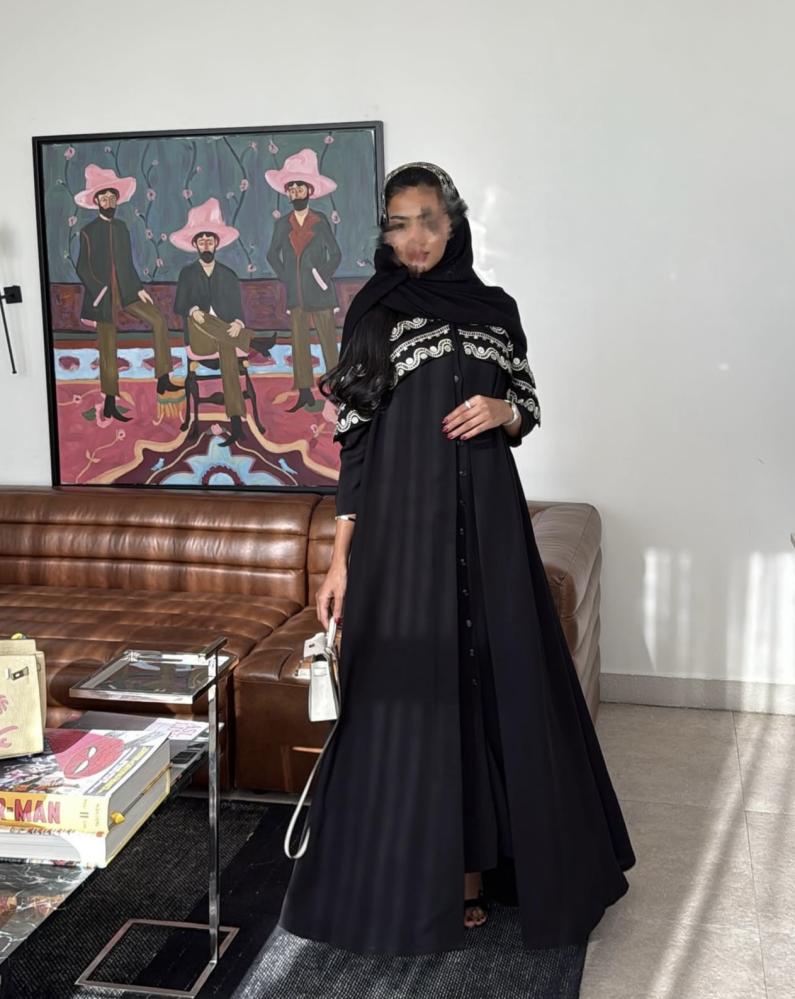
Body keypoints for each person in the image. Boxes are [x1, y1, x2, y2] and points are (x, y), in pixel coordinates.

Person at [277, 162, 636, 955]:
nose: (415, 238)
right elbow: (355, 444)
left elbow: (527, 403)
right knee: (412, 694)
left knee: (493, 684)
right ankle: (416, 875)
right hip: (402, 536)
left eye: (429, 220)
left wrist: (503, 409)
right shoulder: (373, 312)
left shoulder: (495, 309)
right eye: (398, 223)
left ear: (454, 223)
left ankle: (478, 871)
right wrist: (339, 560)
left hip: (491, 528)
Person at [75, 165, 178, 421]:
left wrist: (139, 289)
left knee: (158, 320)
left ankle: (163, 379)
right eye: (104, 197)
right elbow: (82, 267)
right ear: (96, 201)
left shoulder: (122, 228)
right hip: (102, 298)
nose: (109, 201)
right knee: (107, 345)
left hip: (128, 292)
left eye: (112, 197)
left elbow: (127, 264)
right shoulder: (88, 232)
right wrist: (99, 290)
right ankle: (110, 400)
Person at [171, 198, 256, 447]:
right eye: (201, 241)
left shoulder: (228, 275)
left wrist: (238, 323)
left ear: (216, 243)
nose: (206, 244)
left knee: (227, 345)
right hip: (200, 338)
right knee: (205, 320)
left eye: (210, 240)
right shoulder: (187, 273)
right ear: (195, 245)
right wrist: (193, 311)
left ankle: (236, 423)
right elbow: (179, 306)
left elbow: (238, 311)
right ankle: (254, 341)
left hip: (225, 338)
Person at [265, 149, 342, 413]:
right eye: (291, 188)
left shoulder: (320, 221)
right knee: (299, 343)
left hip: (319, 292)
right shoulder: (282, 224)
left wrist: (321, 275)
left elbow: (336, 254)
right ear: (287, 193)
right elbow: (271, 254)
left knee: (328, 342)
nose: (296, 192)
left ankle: (336, 391)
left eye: (300, 187)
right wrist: (286, 276)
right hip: (295, 293)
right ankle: (305, 394)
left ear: (309, 190)